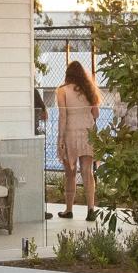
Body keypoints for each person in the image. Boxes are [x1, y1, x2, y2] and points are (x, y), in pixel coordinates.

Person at [55, 59, 101, 221]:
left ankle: (69, 210)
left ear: (68, 74)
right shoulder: (89, 90)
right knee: (87, 173)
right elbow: (96, 114)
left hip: (70, 134)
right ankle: (91, 210)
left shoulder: (62, 91)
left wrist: (60, 139)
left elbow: (63, 116)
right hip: (88, 133)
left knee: (70, 174)